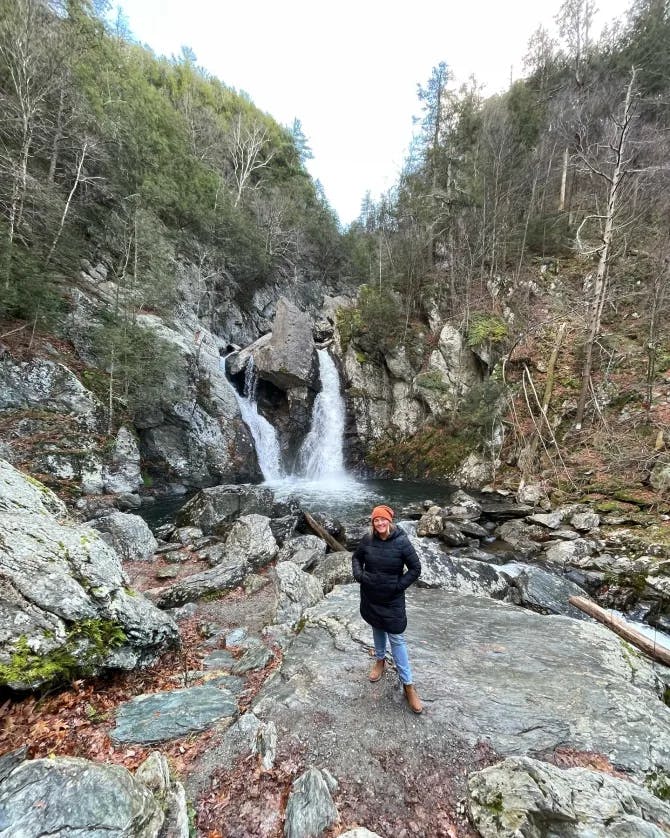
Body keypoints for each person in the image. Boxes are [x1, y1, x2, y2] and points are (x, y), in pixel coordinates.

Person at [351, 504, 423, 714]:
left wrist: (398, 586)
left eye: (383, 520)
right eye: (376, 520)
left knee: (397, 638)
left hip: (392, 599)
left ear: (389, 521)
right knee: (377, 627)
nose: (380, 523)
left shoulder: (401, 541)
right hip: (372, 595)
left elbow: (416, 568)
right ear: (373, 522)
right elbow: (356, 558)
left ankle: (408, 685)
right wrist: (360, 576)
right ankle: (380, 661)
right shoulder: (368, 539)